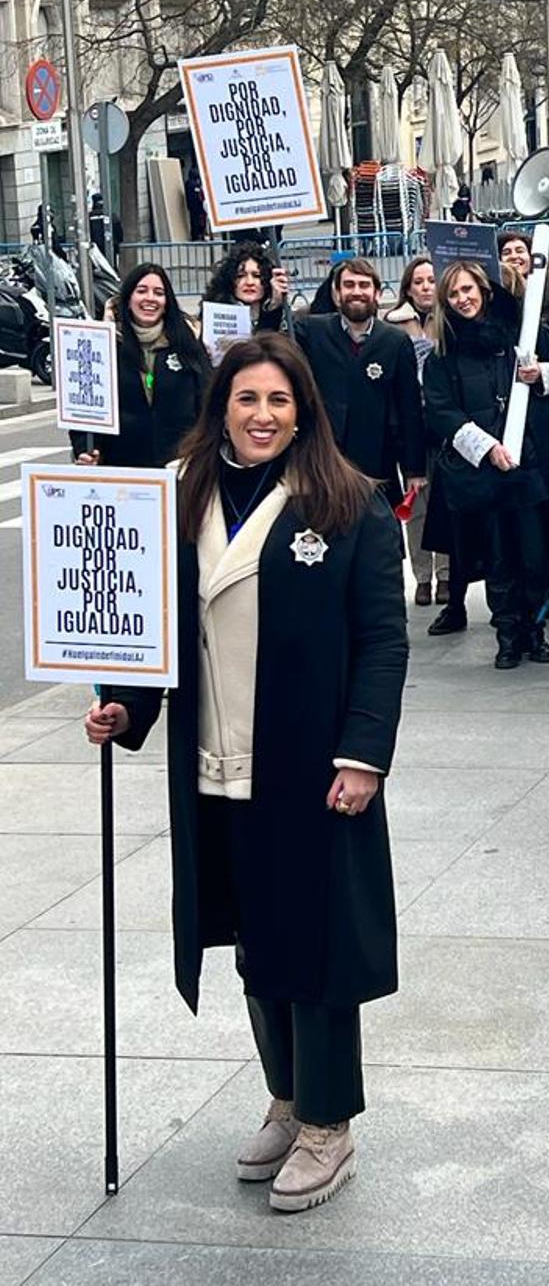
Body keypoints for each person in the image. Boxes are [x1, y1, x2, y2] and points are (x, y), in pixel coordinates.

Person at [83, 334, 407, 1212]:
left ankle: (330, 1124)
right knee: (256, 942)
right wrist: (129, 709)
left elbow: (382, 640)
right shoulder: (181, 494)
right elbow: (154, 627)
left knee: (319, 945)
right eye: (246, 400)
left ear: (304, 410)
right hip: (213, 762)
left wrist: (364, 754)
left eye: (278, 401)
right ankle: (288, 1093)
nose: (262, 416)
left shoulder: (348, 503)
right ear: (220, 405)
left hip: (311, 767)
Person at [422, 263, 549, 668]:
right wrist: (486, 448)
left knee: (535, 555)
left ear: (483, 289)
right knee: (498, 557)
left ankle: (537, 630)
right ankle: (508, 634)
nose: (463, 299)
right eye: (454, 294)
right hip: (483, 471)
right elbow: (442, 412)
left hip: (527, 466)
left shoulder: (521, 336)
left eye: (468, 289)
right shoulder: (443, 353)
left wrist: (541, 375)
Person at [293, 254, 426, 536]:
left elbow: (409, 407)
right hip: (326, 457)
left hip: (377, 461)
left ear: (377, 293)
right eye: (348, 285)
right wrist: (273, 303)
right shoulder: (311, 331)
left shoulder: (395, 341)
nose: (356, 291)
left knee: (377, 542)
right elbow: (274, 347)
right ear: (336, 293)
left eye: (364, 285)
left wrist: (414, 468)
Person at [73, 264, 211, 468]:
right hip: (122, 471)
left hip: (180, 468)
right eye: (141, 291)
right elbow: (85, 410)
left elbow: (207, 400)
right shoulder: (102, 346)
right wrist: (86, 450)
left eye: (159, 293)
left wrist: (204, 451)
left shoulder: (187, 341)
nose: (150, 299)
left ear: (167, 302)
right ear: (128, 299)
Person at [386, 256, 447, 604]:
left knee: (446, 504)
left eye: (431, 280)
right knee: (416, 507)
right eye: (419, 281)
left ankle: (447, 576)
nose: (426, 287)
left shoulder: (450, 321)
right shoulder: (393, 326)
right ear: (408, 287)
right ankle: (422, 577)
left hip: (443, 428)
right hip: (410, 431)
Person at [203, 242, 289, 334]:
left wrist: (275, 306)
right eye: (240, 276)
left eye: (257, 276)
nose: (249, 282)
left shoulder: (284, 315)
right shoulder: (215, 314)